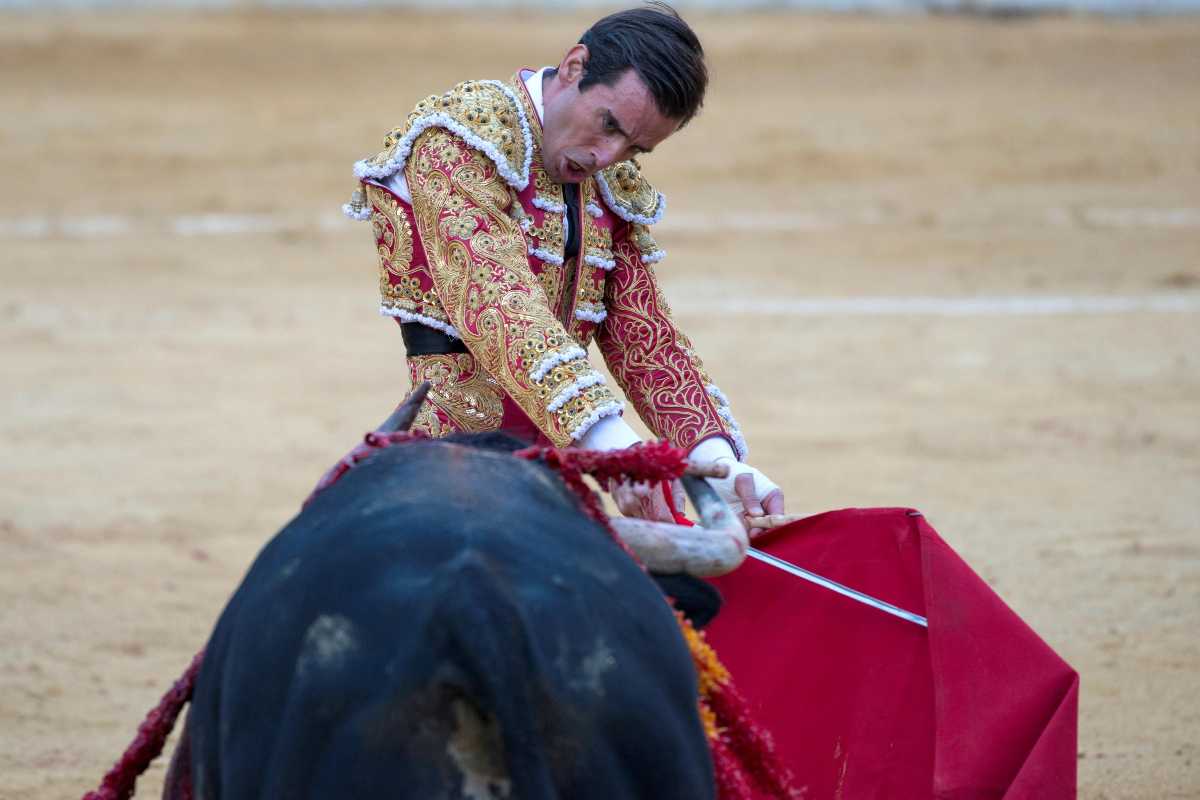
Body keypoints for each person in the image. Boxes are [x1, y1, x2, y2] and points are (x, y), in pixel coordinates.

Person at [342, 3, 783, 527]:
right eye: (607, 124)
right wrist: (616, 447)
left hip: (553, 471)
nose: (608, 155)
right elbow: (497, 302)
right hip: (449, 458)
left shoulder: (608, 185)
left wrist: (719, 464)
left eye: (634, 147)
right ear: (574, 66)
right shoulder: (461, 140)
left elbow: (644, 336)